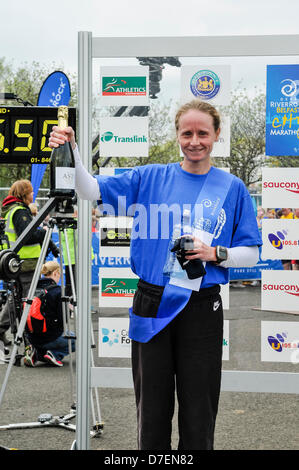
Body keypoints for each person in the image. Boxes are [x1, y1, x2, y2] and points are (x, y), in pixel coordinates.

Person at [49, 99, 262, 450]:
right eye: (187, 133)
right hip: (151, 301)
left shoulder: (232, 187)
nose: (195, 141)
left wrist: (214, 254)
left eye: (203, 133)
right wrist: (72, 146)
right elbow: (89, 190)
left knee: (199, 411)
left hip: (200, 305)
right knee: (151, 410)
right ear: (178, 135)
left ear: (216, 135)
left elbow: (251, 252)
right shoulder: (150, 177)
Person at [0, 180, 59, 347]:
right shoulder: (20, 212)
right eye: (31, 192)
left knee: (14, 300)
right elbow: (27, 237)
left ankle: (2, 328)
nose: (33, 195)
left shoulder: (13, 210)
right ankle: (29, 341)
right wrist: (43, 233)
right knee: (28, 302)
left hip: (16, 264)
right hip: (25, 264)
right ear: (23, 193)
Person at [24, 261, 75, 367]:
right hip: (50, 337)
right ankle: (54, 355)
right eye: (60, 274)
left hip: (32, 337)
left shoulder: (32, 288)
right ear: (56, 273)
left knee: (51, 335)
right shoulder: (57, 291)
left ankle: (36, 352)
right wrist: (69, 309)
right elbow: (63, 320)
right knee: (79, 340)